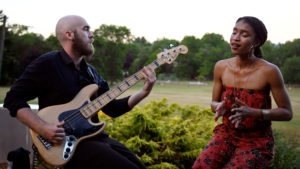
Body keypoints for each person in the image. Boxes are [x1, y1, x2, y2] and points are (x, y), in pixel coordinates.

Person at [4, 15, 156, 169]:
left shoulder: (91, 72)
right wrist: (42, 128)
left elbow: (112, 108)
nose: (92, 35)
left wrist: (144, 92)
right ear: (69, 35)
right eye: (86, 30)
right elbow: (13, 99)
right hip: (65, 144)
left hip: (96, 138)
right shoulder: (47, 64)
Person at [192, 16, 293, 169]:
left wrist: (256, 113)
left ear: (257, 42)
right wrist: (219, 105)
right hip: (225, 135)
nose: (236, 38)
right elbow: (213, 104)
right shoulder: (221, 67)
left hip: (256, 141)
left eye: (244, 35)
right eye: (234, 33)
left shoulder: (270, 71)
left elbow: (287, 113)